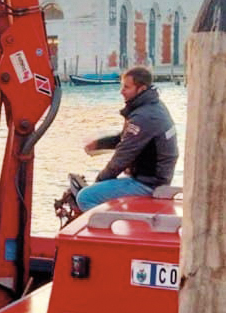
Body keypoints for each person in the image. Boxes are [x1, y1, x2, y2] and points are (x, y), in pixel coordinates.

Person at [76, 66, 179, 211]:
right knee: (102, 186)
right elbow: (125, 139)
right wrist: (99, 144)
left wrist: (99, 181)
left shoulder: (144, 117)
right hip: (155, 177)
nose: (121, 91)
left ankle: (111, 223)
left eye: (126, 87)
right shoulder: (153, 106)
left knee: (85, 197)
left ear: (141, 89)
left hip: (148, 183)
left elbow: (123, 156)